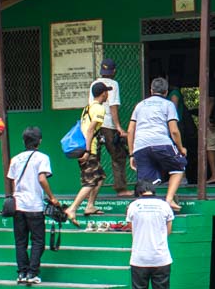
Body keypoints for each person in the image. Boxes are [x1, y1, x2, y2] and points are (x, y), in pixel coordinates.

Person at [4, 126, 58, 285]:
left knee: (20, 241)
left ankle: (22, 272)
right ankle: (32, 273)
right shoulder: (42, 158)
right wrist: (52, 197)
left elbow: (13, 181)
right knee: (38, 241)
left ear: (24, 141)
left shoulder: (15, 159)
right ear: (39, 141)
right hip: (34, 205)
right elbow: (42, 178)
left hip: (18, 205)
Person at [126, 76, 188, 212]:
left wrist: (131, 154)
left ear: (151, 90)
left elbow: (130, 131)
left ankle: (141, 208)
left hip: (140, 146)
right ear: (166, 92)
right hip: (161, 143)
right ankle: (169, 200)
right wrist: (180, 148)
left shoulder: (140, 105)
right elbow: (174, 131)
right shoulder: (168, 105)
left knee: (145, 182)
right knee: (179, 167)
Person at [125, 178, 175, 289]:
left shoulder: (134, 206)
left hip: (139, 258)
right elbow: (168, 230)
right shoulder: (164, 205)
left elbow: (132, 228)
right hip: (161, 257)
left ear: (139, 192)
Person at [64, 83, 111, 226]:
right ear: (103, 93)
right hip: (89, 149)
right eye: (107, 92)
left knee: (100, 177)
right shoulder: (99, 108)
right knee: (90, 181)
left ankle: (90, 205)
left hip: (86, 148)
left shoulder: (88, 107)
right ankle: (72, 208)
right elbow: (90, 130)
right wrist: (88, 151)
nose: (108, 95)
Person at [90, 59, 132, 197]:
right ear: (114, 71)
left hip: (94, 124)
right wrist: (118, 126)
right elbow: (113, 106)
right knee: (118, 155)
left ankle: (90, 191)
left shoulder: (94, 84)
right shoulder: (113, 84)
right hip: (108, 125)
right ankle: (121, 189)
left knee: (95, 158)